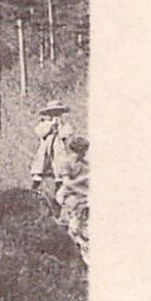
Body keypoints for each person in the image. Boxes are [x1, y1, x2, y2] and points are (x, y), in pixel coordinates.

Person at [29, 99, 76, 212]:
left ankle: (58, 202)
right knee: (38, 175)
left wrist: (59, 126)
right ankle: (32, 195)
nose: (55, 115)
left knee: (60, 177)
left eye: (57, 113)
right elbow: (40, 132)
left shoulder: (64, 125)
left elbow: (67, 134)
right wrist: (51, 125)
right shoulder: (43, 124)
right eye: (52, 113)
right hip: (45, 155)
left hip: (59, 155)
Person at [54, 134, 90, 264]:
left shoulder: (86, 164)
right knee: (76, 211)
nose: (82, 155)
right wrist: (84, 181)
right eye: (81, 152)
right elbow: (67, 183)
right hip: (69, 193)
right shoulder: (67, 163)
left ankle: (82, 238)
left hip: (83, 194)